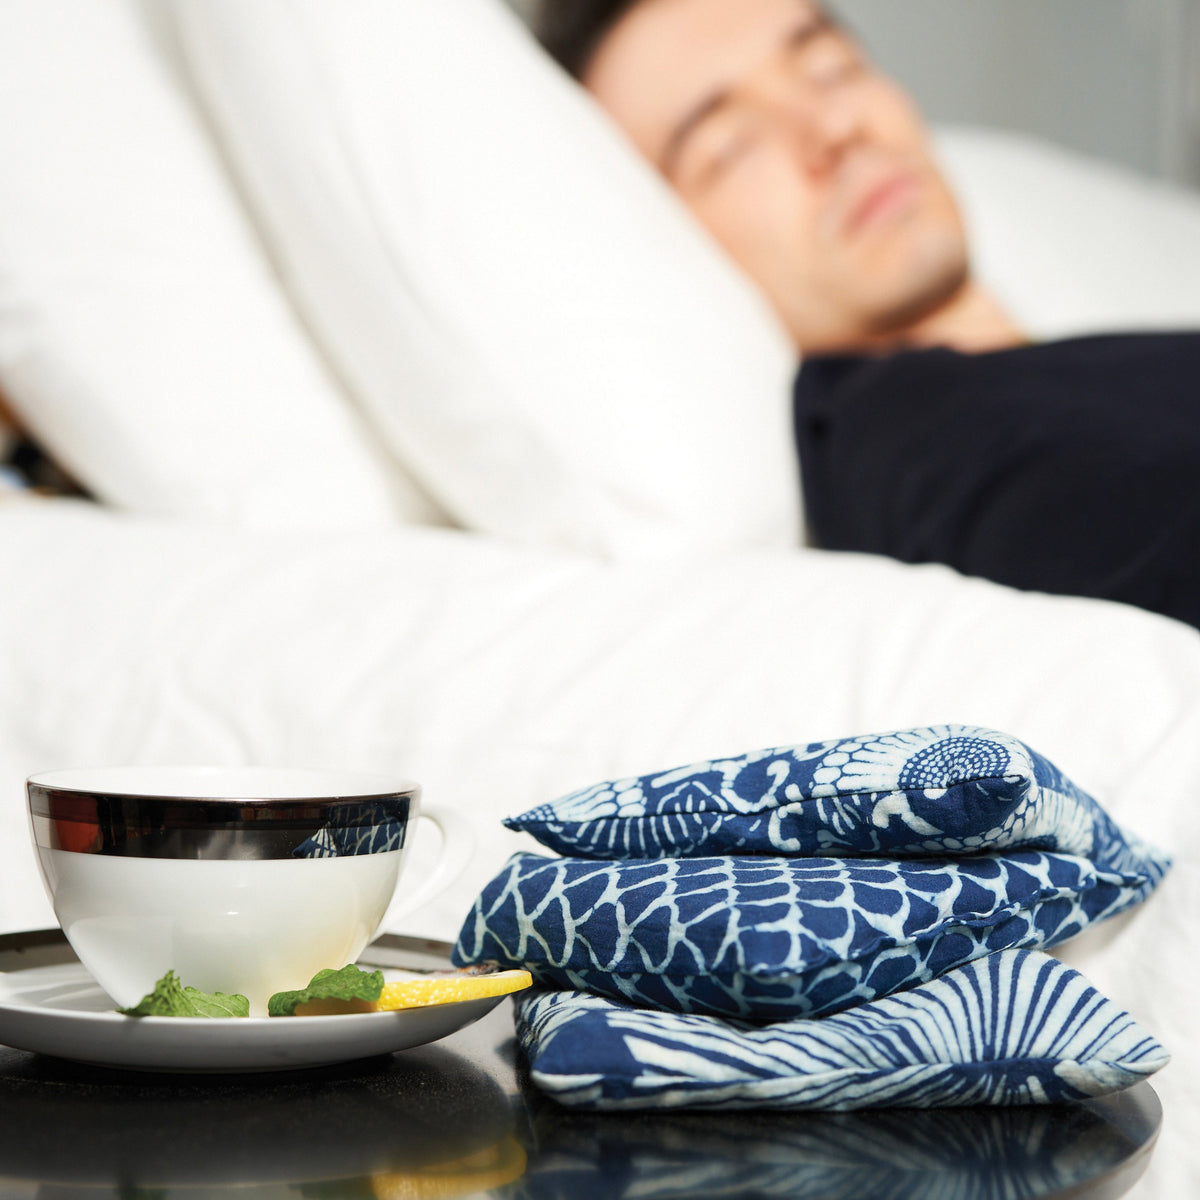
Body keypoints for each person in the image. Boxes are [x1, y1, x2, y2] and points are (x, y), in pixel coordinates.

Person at [535, 0, 1200, 630]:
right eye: (730, 147)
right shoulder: (911, 432)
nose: (835, 129)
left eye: (831, 69)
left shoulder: (1077, 378)